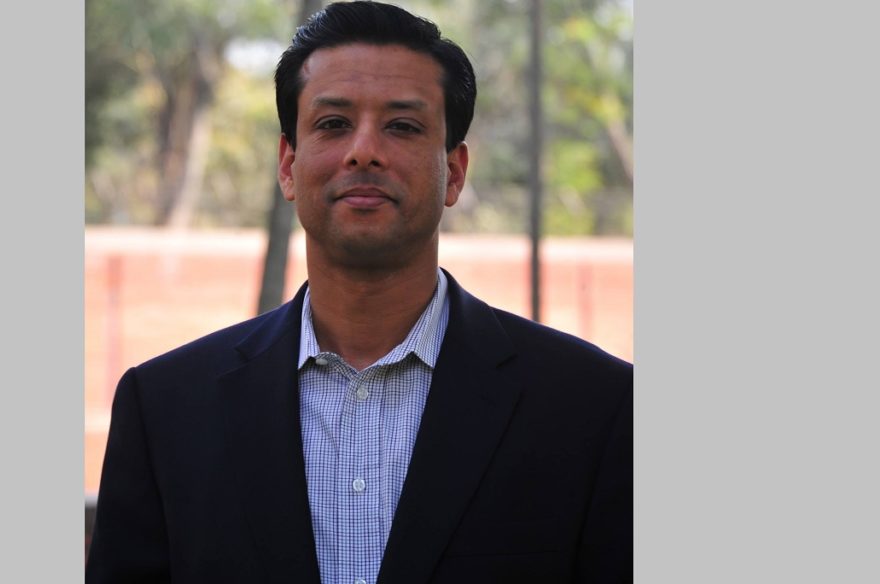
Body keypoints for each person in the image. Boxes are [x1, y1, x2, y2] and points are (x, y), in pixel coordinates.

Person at [85, 2, 632, 583]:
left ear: (455, 172)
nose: (364, 150)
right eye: (333, 124)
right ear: (288, 165)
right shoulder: (166, 409)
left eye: (402, 126)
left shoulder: (594, 407)